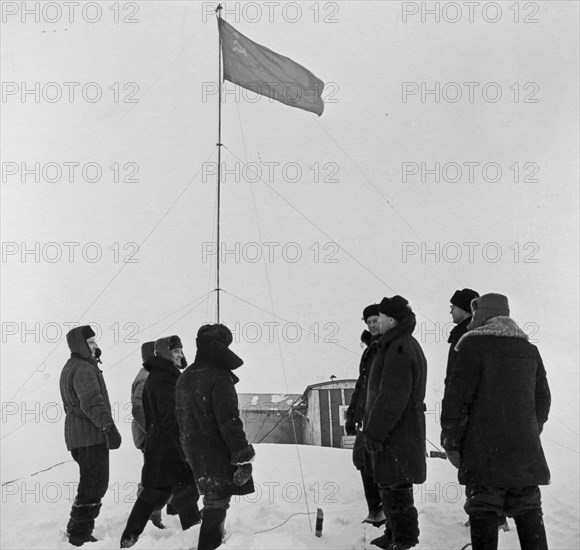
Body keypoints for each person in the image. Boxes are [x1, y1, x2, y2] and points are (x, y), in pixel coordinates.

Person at [441, 293, 551, 550]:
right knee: (528, 507)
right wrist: (529, 430)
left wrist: (451, 442)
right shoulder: (529, 350)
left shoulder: (471, 347)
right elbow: (543, 400)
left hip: (483, 450)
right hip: (524, 451)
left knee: (483, 508)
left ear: (481, 314)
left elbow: (455, 401)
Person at [175, 324, 255, 550]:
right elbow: (229, 420)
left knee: (212, 499)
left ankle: (213, 541)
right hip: (216, 450)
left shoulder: (185, 376)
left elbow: (179, 419)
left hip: (193, 450)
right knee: (217, 502)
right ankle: (209, 545)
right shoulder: (219, 377)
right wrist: (241, 454)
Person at [120, 335, 201, 548]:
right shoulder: (165, 379)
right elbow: (170, 418)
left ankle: (128, 537)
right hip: (169, 449)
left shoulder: (159, 375)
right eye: (176, 351)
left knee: (152, 493)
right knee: (186, 492)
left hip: (159, 447)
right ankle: (197, 538)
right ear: (166, 353)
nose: (181, 355)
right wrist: (183, 448)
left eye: (181, 351)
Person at [364, 296, 427, 550]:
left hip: (397, 433)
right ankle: (394, 535)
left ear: (392, 319)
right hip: (399, 431)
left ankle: (402, 541)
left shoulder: (399, 347)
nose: (377, 321)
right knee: (392, 485)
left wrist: (375, 432)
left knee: (396, 488)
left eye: (380, 317)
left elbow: (392, 396)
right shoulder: (397, 343)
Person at [60, 325, 122, 547]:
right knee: (95, 484)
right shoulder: (84, 369)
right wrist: (109, 428)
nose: (96, 346)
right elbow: (92, 403)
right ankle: (79, 533)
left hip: (80, 436)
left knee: (91, 483)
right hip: (89, 436)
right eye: (91, 342)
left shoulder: (72, 366)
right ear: (80, 345)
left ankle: (76, 528)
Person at [345, 304, 385, 527]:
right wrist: (352, 414)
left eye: (375, 320)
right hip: (365, 415)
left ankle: (385, 510)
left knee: (380, 463)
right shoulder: (369, 349)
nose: (372, 325)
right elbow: (361, 386)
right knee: (361, 459)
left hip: (379, 415)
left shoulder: (388, 346)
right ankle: (375, 509)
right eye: (368, 322)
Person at [130, 341, 165, 529]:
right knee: (153, 478)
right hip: (150, 437)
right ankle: (149, 518)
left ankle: (154, 516)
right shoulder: (145, 378)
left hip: (155, 435)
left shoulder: (152, 375)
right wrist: (153, 433)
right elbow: (138, 409)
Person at [446, 288, 480, 386]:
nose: (451, 311)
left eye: (454, 307)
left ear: (465, 310)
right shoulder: (469, 332)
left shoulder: (464, 335)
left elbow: (459, 375)